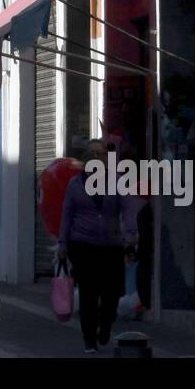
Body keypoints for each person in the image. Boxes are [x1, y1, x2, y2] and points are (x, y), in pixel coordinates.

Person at [57, 138, 139, 353]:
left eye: (100, 153)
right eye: (92, 153)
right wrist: (62, 243)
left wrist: (130, 238)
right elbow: (67, 214)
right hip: (83, 245)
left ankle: (106, 325)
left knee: (111, 294)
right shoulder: (75, 185)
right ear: (85, 159)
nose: (96, 157)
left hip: (111, 245)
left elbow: (128, 210)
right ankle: (89, 339)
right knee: (89, 293)